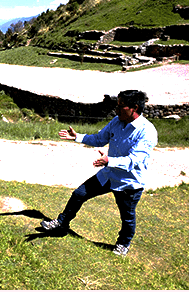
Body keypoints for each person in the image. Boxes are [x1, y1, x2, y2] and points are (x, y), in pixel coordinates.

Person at [41, 90, 156, 256]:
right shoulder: (117, 121)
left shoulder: (147, 131)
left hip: (129, 182)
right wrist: (77, 137)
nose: (116, 110)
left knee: (128, 217)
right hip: (109, 175)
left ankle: (123, 244)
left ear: (134, 108)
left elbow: (134, 160)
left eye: (120, 106)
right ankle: (61, 224)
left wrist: (109, 160)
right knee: (79, 194)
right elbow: (100, 139)